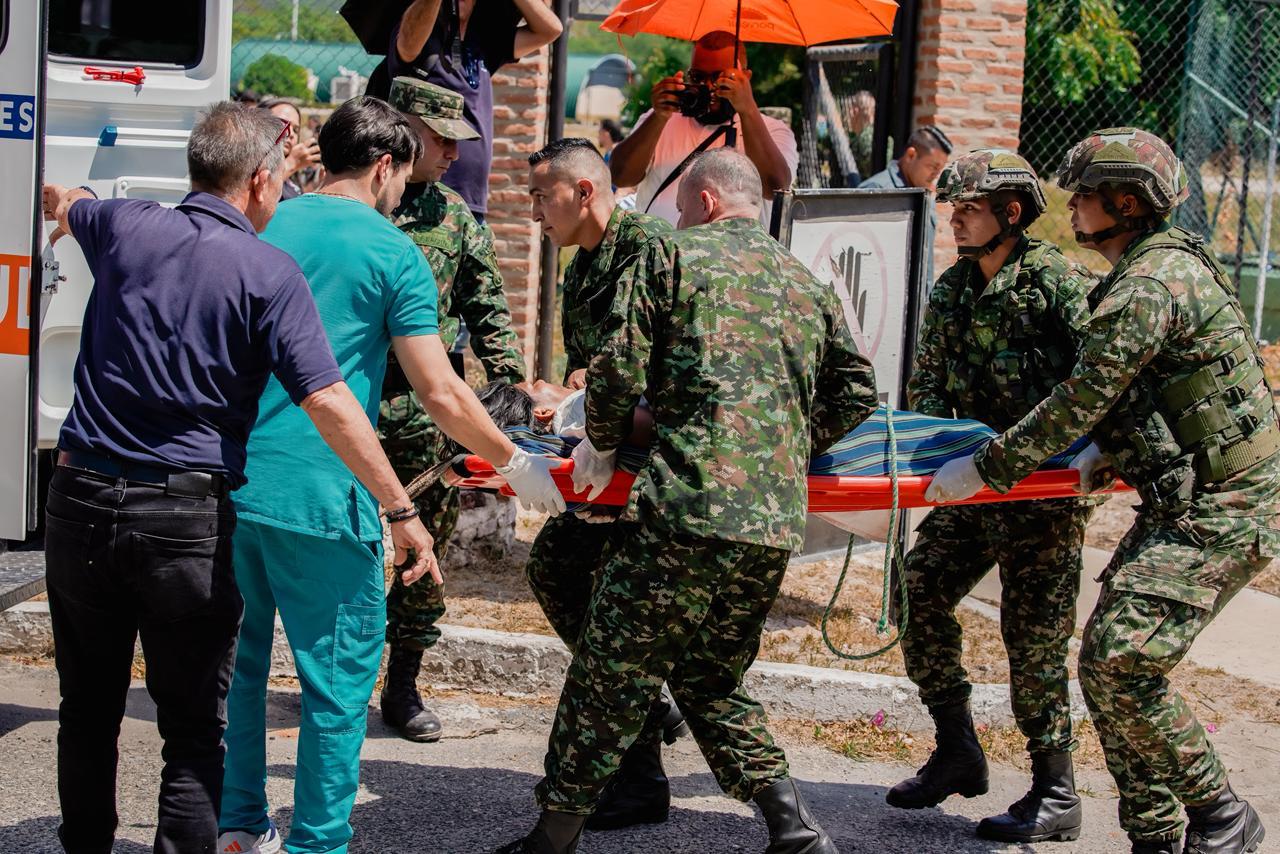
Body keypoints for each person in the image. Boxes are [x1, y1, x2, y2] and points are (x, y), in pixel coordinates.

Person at [39, 102, 436, 854]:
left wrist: (58, 208)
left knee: (85, 707)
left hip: (80, 500)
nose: (288, 189)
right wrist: (399, 504)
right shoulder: (266, 270)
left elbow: (72, 201)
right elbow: (327, 399)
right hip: (183, 517)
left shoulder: (126, 225)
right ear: (257, 179)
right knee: (192, 730)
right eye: (282, 176)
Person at [500, 148, 879, 854]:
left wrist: (599, 437)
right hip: (770, 522)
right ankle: (794, 830)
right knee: (709, 676)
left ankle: (550, 841)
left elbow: (616, 373)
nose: (674, 217)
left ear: (705, 202)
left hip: (684, 506)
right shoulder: (805, 280)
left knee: (610, 673)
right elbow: (857, 391)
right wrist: (781, 444)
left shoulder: (673, 257)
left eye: (680, 207)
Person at [217, 97, 564, 854]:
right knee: (338, 684)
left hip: (231, 481)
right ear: (384, 166)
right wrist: (517, 464)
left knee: (239, 672)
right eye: (404, 177)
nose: (405, 193)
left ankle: (239, 826)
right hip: (324, 489)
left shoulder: (264, 218)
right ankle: (316, 845)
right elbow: (440, 391)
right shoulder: (392, 251)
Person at [927, 128, 1279, 854]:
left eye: (1083, 195)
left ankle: (1221, 814)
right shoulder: (1147, 271)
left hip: (1227, 503)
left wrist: (993, 467)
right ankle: (1154, 833)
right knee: (1107, 662)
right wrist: (1102, 449)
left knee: (1120, 658)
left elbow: (1077, 398)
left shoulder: (1146, 286)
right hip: (1182, 499)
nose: (1072, 207)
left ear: (1127, 202)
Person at [885, 150, 1098, 845]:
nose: (955, 219)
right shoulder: (952, 288)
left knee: (1032, 641)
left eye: (969, 208)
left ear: (1011, 213)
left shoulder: (1056, 283)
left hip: (1040, 497)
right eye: (953, 207)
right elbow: (928, 385)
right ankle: (957, 748)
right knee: (916, 593)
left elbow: (1092, 383)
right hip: (968, 490)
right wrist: (940, 448)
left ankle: (1055, 789)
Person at [522, 138, 682, 832]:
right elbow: (596, 363)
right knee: (557, 569)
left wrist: (597, 403)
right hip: (608, 455)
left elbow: (663, 358)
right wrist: (571, 393)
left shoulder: (648, 247)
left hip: (659, 463)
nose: (533, 213)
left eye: (541, 196)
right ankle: (644, 732)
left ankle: (638, 763)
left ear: (584, 191)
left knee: (590, 589)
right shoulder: (581, 263)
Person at [377, 76, 528, 743]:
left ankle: (402, 683)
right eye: (441, 140)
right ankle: (333, 677)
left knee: (423, 550)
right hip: (341, 404)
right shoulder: (352, 204)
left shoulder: (454, 218)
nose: (453, 155)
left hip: (422, 413)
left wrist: (513, 388)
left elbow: (487, 306)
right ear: (404, 131)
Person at [370, 0, 563, 222]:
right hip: (418, 197)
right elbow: (408, 45)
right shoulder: (421, 29)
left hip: (469, 201)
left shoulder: (482, 41)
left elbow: (551, 30)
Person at [607, 30, 798, 226]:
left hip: (731, 255)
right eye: (697, 77)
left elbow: (775, 188)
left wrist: (747, 110)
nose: (707, 86)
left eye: (719, 78)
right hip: (662, 252)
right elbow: (620, 176)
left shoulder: (773, 130)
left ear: (746, 78)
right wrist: (658, 116)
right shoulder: (659, 120)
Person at [860, 125, 953, 290]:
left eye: (939, 170)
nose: (935, 175)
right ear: (911, 155)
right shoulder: (878, 190)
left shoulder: (926, 197)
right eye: (932, 167)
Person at [258, 99, 321, 200]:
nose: (290, 133)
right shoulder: (248, 166)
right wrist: (292, 163)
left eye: (296, 130)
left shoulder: (291, 175)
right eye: (282, 124)